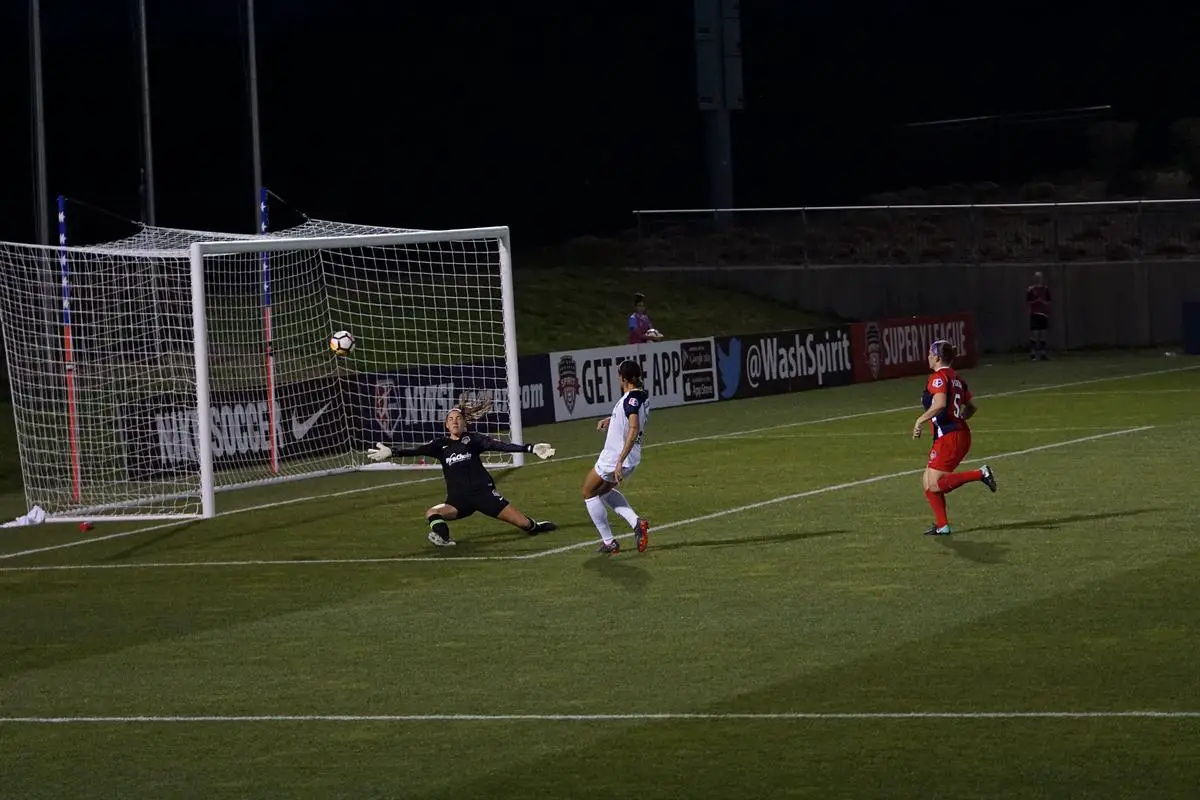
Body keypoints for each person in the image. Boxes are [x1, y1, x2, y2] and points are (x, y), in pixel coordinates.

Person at [366, 395, 558, 547]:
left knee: (525, 525)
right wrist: (392, 452)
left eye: (458, 418)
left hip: (484, 495)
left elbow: (500, 446)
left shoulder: (473, 439)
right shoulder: (439, 445)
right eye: (451, 419)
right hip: (459, 501)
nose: (455, 421)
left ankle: (535, 525)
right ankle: (444, 539)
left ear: (464, 423)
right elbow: (416, 450)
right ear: (446, 425)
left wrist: (530, 448)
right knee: (432, 512)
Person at [912, 339, 997, 536]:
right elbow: (971, 407)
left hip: (950, 437)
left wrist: (920, 420)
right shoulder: (957, 378)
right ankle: (942, 526)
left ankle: (981, 473)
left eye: (930, 354)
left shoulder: (938, 377)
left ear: (937, 357)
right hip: (956, 434)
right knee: (927, 482)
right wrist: (958, 419)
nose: (928, 357)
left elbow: (940, 403)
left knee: (934, 484)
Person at [581, 360, 651, 554]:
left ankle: (609, 541)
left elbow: (634, 427)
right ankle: (637, 523)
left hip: (615, 457)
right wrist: (611, 420)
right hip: (631, 457)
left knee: (588, 492)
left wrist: (619, 460)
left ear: (624, 378)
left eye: (619, 374)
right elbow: (630, 419)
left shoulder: (630, 399)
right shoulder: (640, 395)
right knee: (603, 492)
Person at [1027, 272, 1051, 360]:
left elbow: (1048, 302)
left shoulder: (1045, 289)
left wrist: (1043, 302)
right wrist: (1036, 301)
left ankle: (1043, 353)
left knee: (1043, 334)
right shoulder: (1031, 289)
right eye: (1036, 277)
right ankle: (1033, 353)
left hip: (1043, 314)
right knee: (1034, 334)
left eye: (1040, 277)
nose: (1038, 279)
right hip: (1034, 313)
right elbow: (1029, 302)